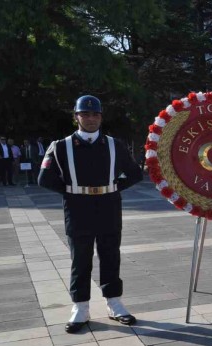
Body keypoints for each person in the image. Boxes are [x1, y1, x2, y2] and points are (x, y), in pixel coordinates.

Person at [38, 95, 143, 333]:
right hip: (78, 208)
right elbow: (44, 178)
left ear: (101, 116)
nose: (91, 118)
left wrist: (113, 188)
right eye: (85, 114)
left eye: (95, 114)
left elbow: (135, 174)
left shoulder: (115, 144)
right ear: (76, 117)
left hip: (109, 206)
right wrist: (72, 193)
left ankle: (114, 303)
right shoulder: (61, 146)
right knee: (80, 259)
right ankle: (81, 308)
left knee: (110, 255)